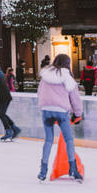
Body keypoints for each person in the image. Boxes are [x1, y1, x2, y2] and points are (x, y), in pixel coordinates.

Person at [36, 54, 83, 182]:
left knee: (48, 140)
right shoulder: (66, 76)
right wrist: (78, 114)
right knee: (69, 140)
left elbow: (39, 92)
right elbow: (75, 98)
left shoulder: (45, 75)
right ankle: (73, 169)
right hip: (61, 111)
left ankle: (43, 170)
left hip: (46, 109)